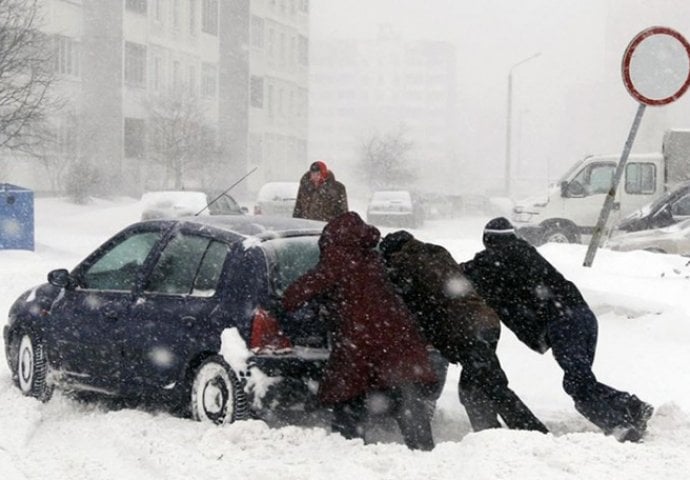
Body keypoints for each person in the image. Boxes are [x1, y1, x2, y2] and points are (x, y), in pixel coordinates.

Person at [460, 217, 654, 442]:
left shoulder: (498, 257)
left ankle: (619, 427)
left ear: (489, 240)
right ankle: (632, 406)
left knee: (578, 384)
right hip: (583, 317)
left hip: (564, 322)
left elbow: (469, 271)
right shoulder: (523, 252)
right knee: (581, 381)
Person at [282, 212, 438, 450]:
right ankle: (425, 452)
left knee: (347, 396)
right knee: (405, 395)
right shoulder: (373, 259)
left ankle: (351, 449)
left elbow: (298, 293)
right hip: (400, 338)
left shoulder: (338, 260)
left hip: (361, 341)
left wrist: (285, 300)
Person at [379, 230, 548, 434]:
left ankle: (533, 432)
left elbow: (419, 302)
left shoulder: (407, 264)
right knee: (475, 388)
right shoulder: (433, 253)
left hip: (467, 329)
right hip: (484, 322)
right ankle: (491, 434)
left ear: (394, 252)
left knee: (492, 386)